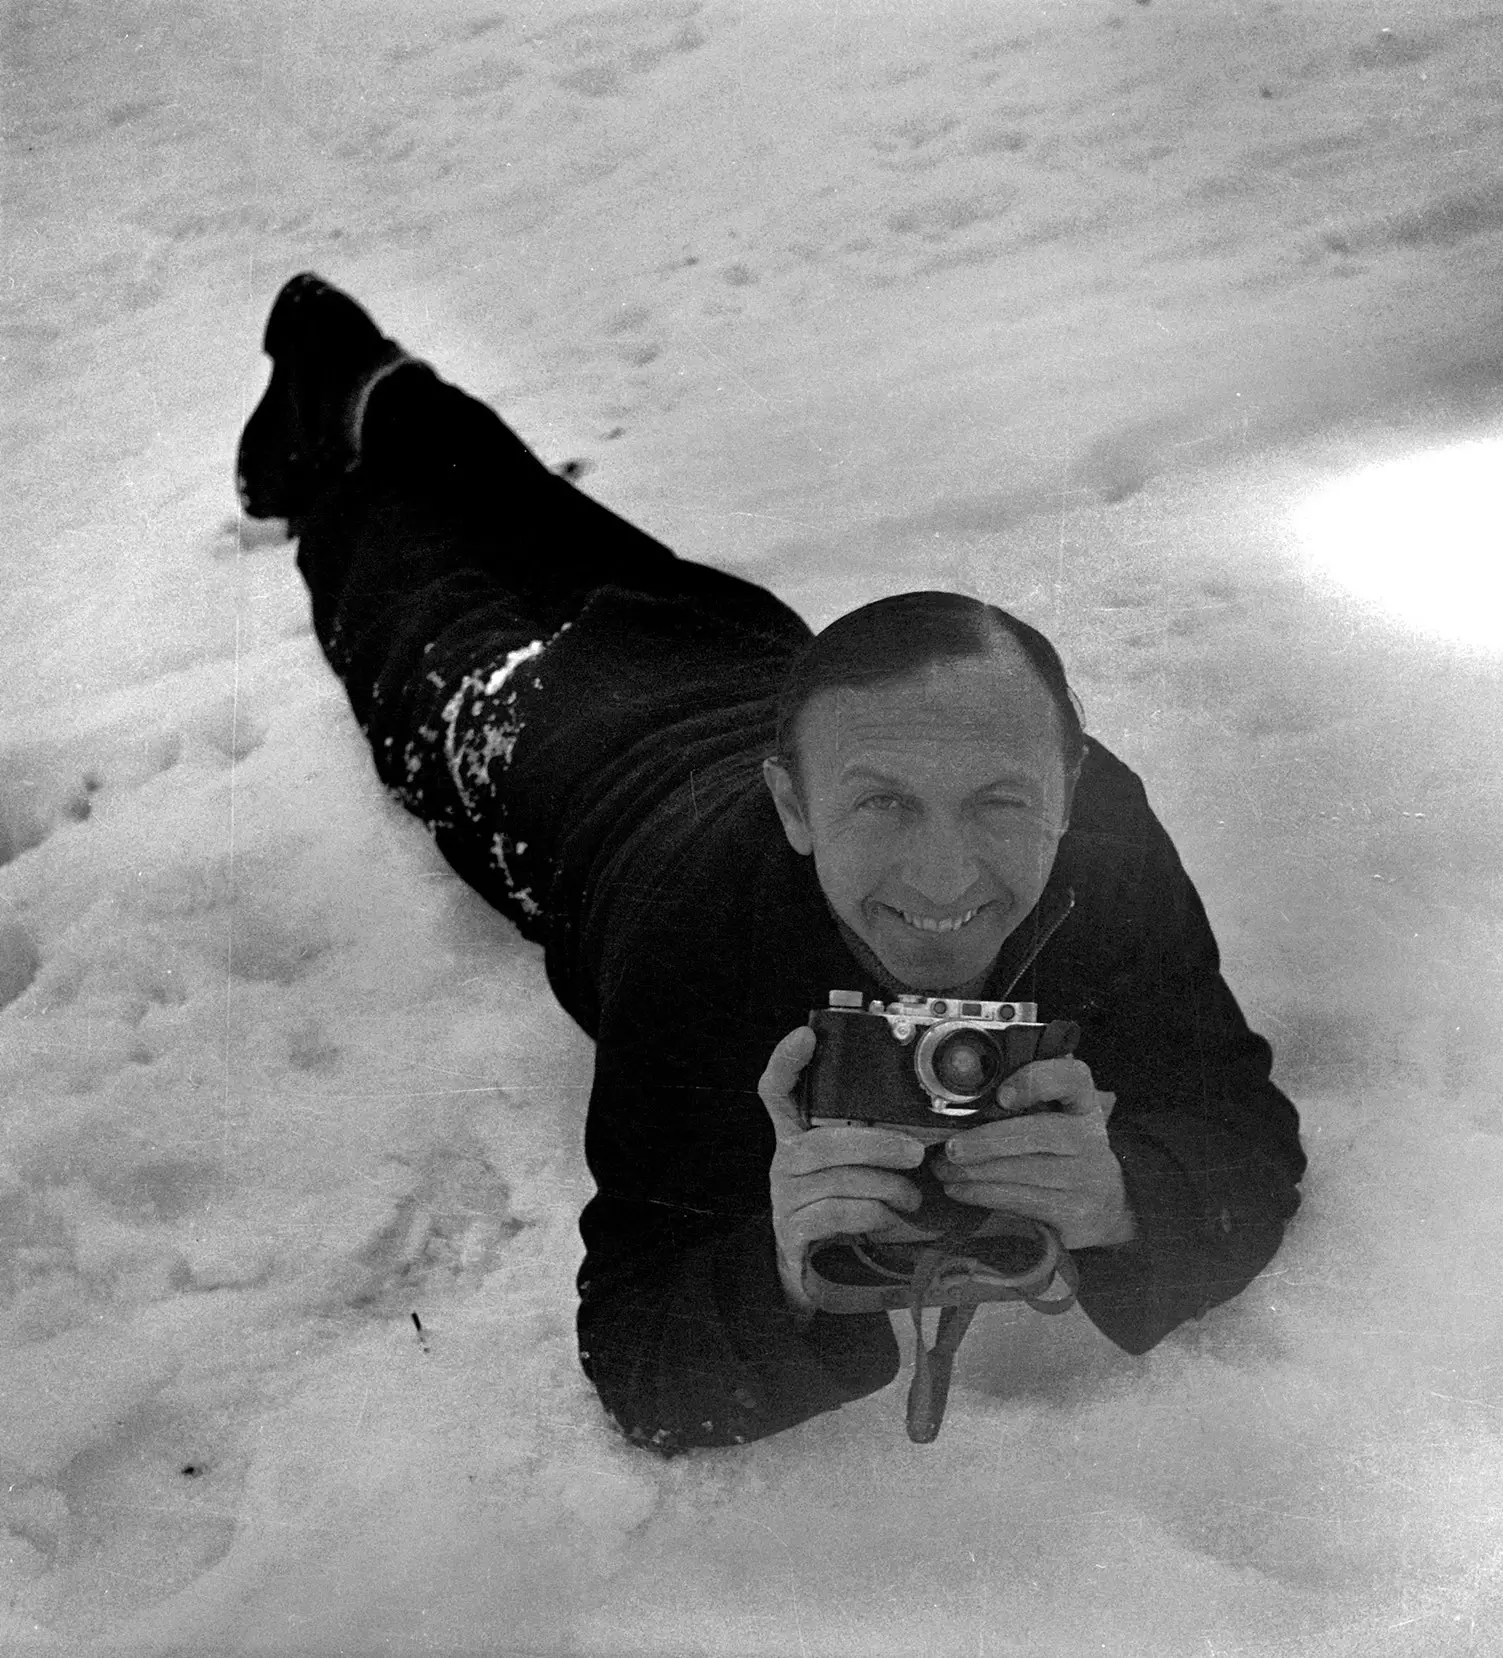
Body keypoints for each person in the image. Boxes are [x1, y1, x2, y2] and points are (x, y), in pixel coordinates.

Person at [238, 273, 1307, 1454]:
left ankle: (376, 379)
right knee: (415, 594)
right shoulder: (693, 933)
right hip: (561, 753)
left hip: (760, 654)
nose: (946, 873)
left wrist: (1120, 1199)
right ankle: (327, 451)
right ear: (792, 808)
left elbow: (1240, 1124)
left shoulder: (1095, 827)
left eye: (1002, 801)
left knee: (547, 521)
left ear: (1065, 778)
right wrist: (783, 1264)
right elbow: (640, 1363)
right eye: (884, 808)